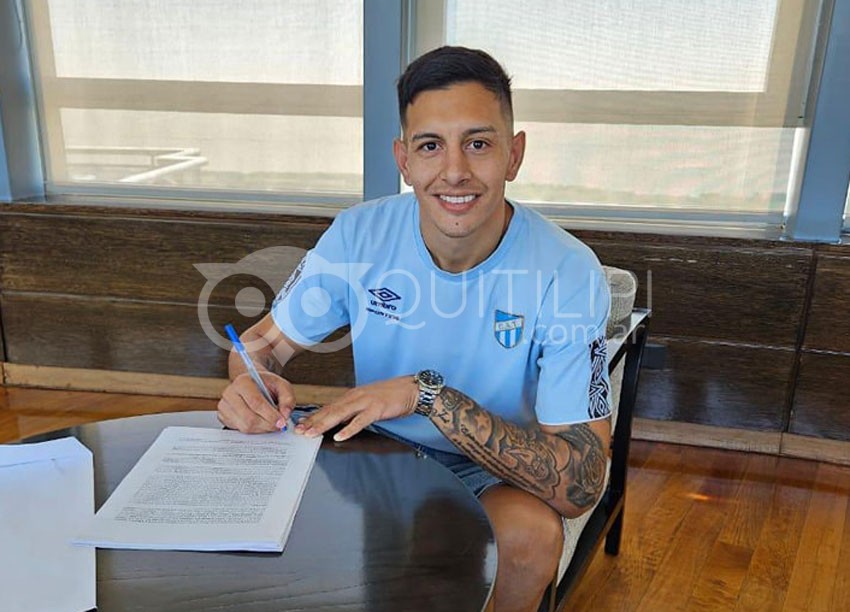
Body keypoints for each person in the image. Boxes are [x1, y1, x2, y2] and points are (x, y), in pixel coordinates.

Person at [217, 46, 611, 612]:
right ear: (403, 159)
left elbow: (582, 482)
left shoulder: (569, 270)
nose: (455, 171)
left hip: (490, 472)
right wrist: (250, 385)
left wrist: (425, 396)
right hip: (369, 454)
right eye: (431, 146)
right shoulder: (358, 233)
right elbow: (260, 346)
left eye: (478, 143)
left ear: (514, 155)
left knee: (531, 535)